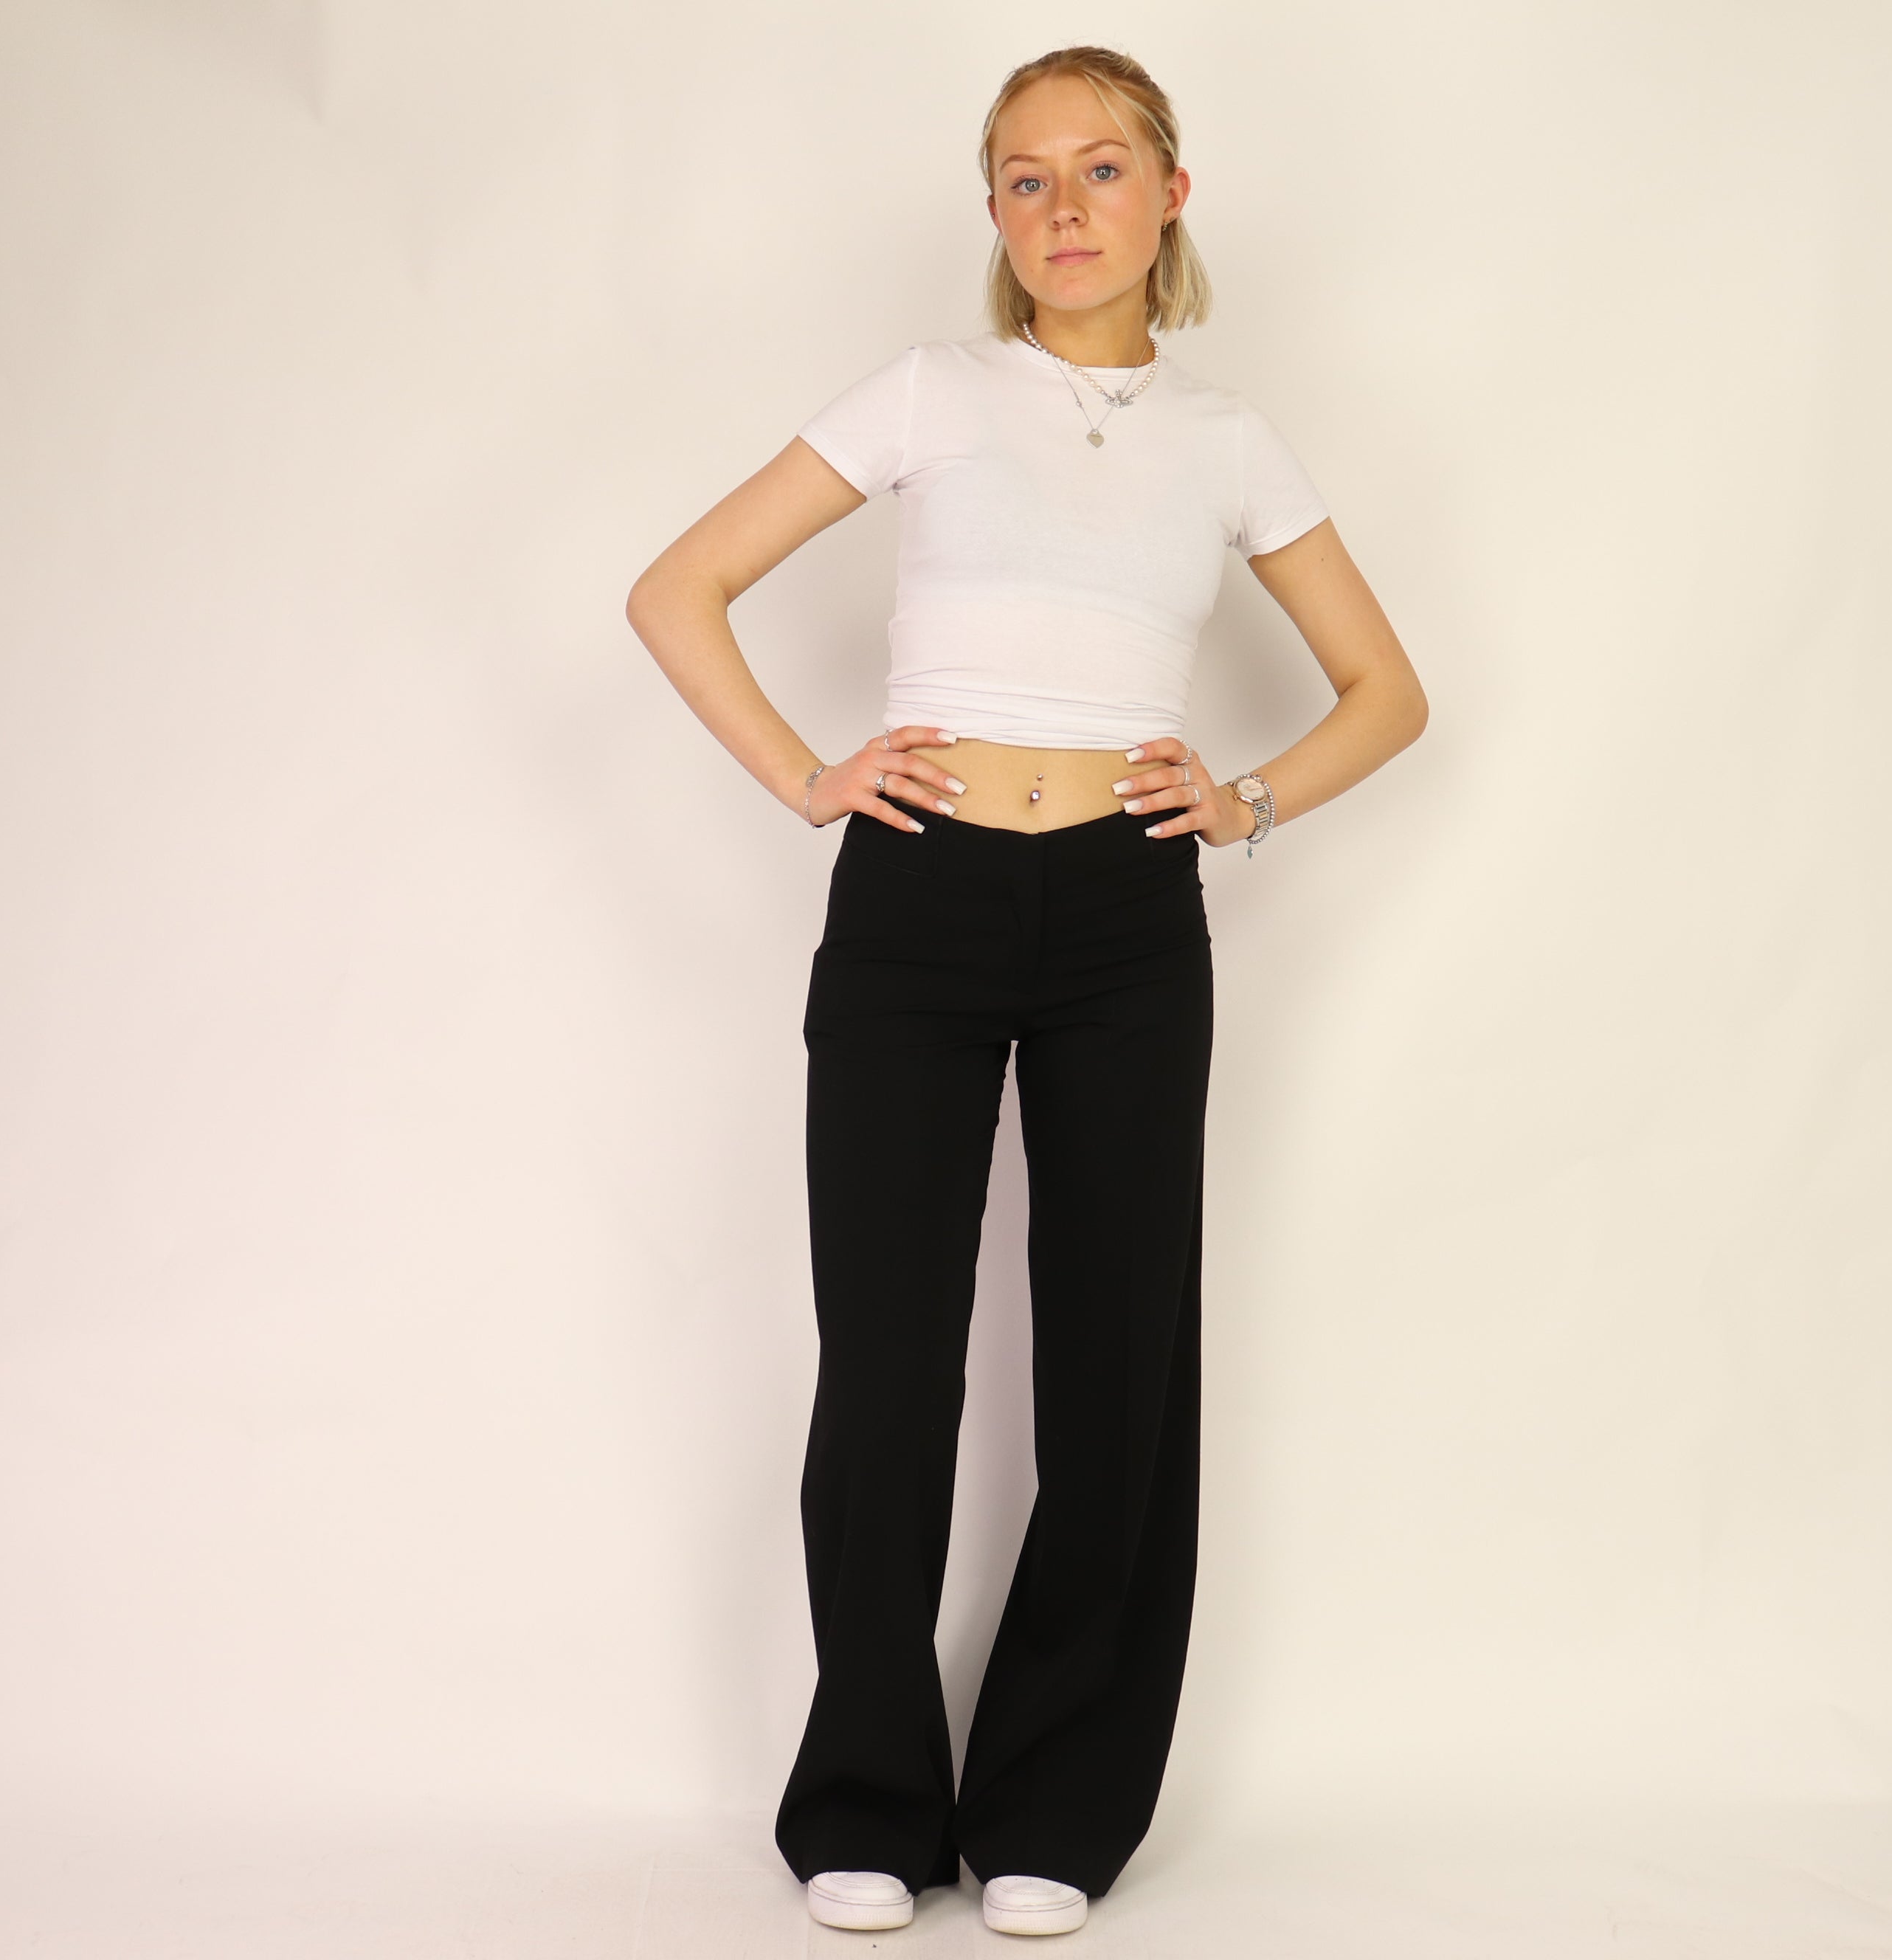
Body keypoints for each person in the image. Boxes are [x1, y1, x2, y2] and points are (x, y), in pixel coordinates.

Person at [625, 44, 1426, 1939]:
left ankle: (1059, 1799)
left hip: (1127, 916)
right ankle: (863, 1796)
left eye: (1100, 167)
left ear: (1169, 193)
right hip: (917, 892)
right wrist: (809, 775)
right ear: (992, 214)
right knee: (888, 1358)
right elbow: (677, 588)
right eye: (1022, 176)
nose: (1062, 206)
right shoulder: (930, 390)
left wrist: (1242, 801)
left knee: (1116, 1356)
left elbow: (1386, 693)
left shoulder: (1228, 439)